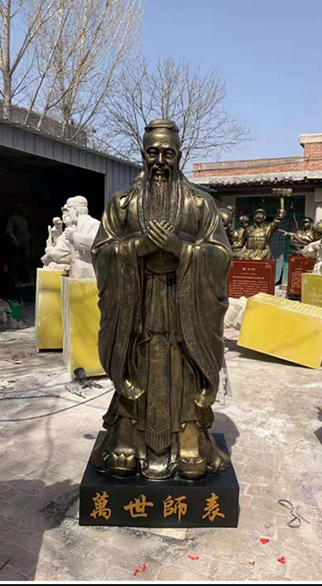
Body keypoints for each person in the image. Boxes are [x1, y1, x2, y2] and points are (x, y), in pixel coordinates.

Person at [90, 119, 232, 481]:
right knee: (134, 361)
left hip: (184, 305)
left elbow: (220, 254)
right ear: (142, 154)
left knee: (184, 363)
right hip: (135, 302)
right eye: (152, 153)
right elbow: (101, 251)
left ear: (179, 156)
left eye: (168, 153)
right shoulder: (122, 204)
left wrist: (179, 249)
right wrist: (137, 247)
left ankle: (189, 439)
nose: (159, 161)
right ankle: (127, 437)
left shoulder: (200, 204)